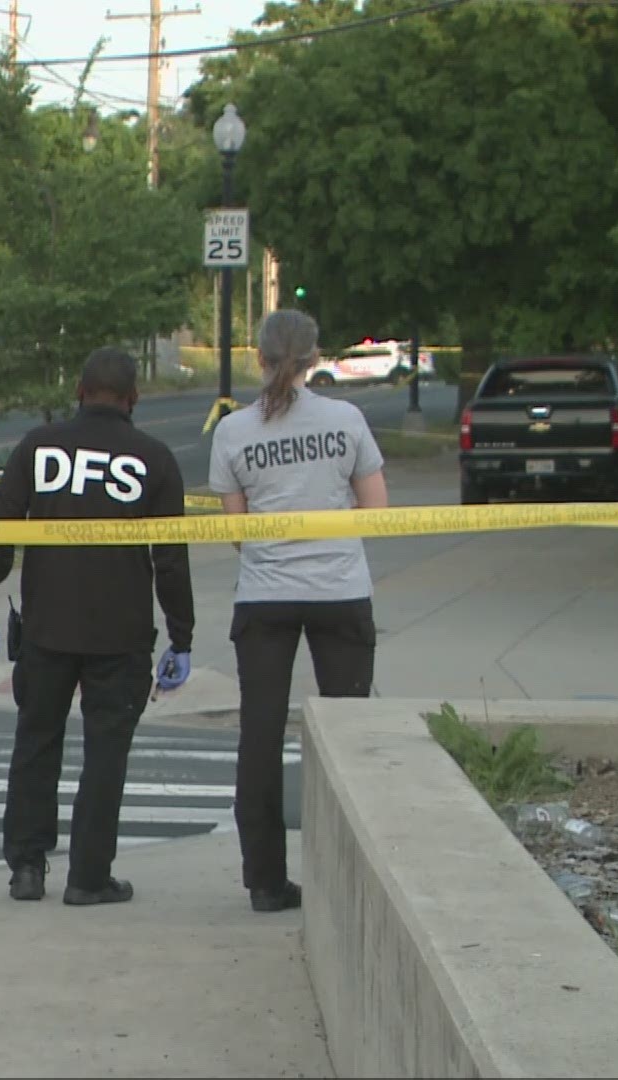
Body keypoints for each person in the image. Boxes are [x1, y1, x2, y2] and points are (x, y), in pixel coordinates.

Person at [0, 348, 195, 906]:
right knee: (106, 754)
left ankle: (26, 866)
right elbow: (170, 554)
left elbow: (1, 528)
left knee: (36, 743)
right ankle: (89, 877)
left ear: (78, 390)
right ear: (133, 398)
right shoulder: (153, 457)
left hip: (46, 625)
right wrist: (181, 635)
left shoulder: (38, 447)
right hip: (121, 632)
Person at [208, 309, 387, 914]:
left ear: (258, 358)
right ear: (315, 360)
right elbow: (376, 510)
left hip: (265, 594)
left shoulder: (233, 431)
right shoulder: (346, 419)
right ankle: (346, 873)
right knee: (347, 734)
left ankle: (264, 880)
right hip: (340, 590)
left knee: (259, 735)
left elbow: (236, 530)